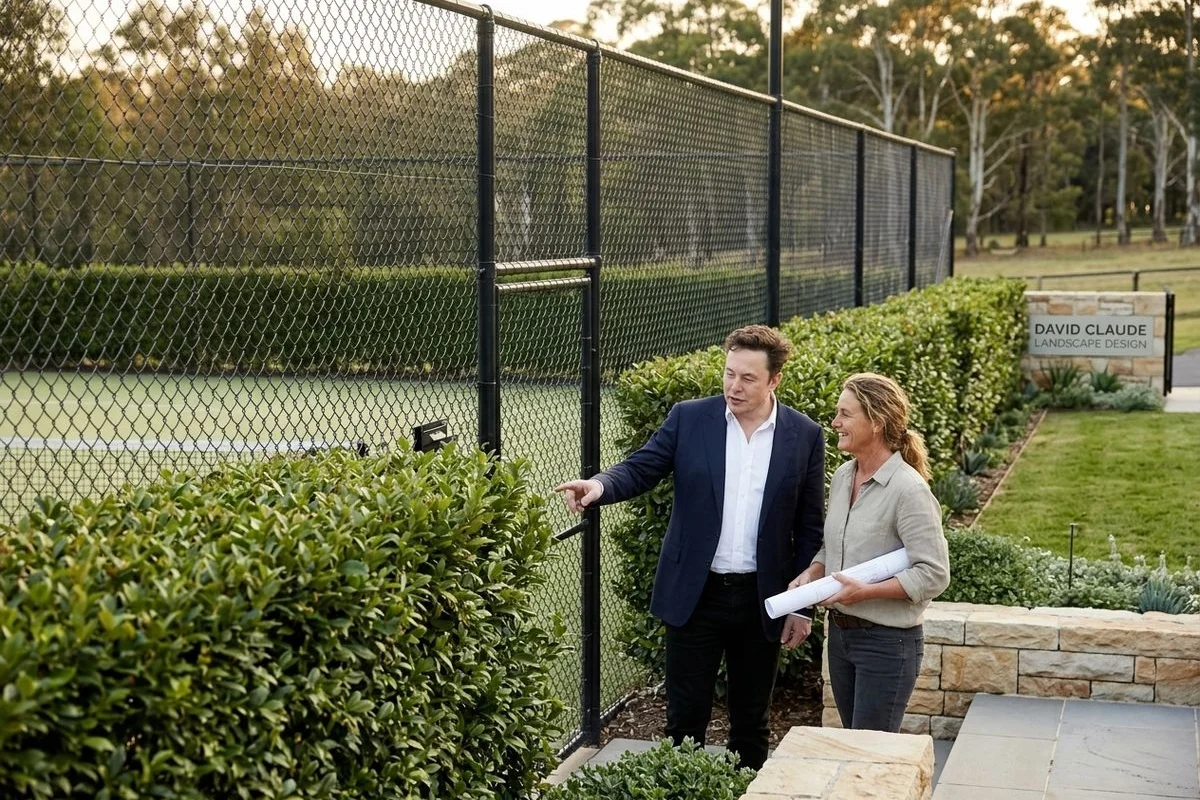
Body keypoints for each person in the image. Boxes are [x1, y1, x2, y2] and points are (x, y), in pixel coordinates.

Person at [555, 325, 825, 770]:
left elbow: (810, 526)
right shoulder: (690, 417)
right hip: (695, 596)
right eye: (729, 374)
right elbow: (642, 467)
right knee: (684, 721)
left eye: (748, 378)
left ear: (774, 380)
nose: (734, 387)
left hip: (765, 597)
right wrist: (599, 485)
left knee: (751, 723)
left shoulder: (804, 434)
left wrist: (801, 606)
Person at [789, 372, 949, 733]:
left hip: (887, 644)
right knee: (853, 745)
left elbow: (934, 573)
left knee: (871, 754)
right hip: (841, 636)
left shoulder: (909, 490)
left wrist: (867, 592)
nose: (835, 423)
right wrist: (812, 572)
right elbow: (835, 545)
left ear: (876, 422)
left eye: (845, 414)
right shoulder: (845, 475)